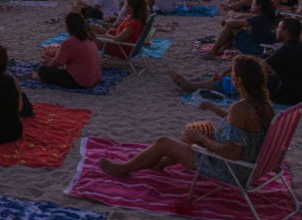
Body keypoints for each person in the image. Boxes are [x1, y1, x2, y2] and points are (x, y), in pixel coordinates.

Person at [101, 56, 273, 188]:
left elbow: (231, 154)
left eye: (232, 75)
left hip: (232, 170)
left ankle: (124, 169)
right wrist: (213, 109)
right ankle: (158, 165)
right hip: (250, 165)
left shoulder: (240, 108)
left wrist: (201, 139)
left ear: (238, 81)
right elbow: (239, 127)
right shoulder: (264, 104)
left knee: (163, 142)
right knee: (187, 138)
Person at [170, 18, 302, 106]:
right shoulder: (295, 46)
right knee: (247, 72)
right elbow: (265, 62)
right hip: (291, 90)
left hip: (288, 95)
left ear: (285, 33)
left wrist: (236, 72)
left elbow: (261, 67)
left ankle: (191, 86)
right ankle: (203, 83)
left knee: (246, 79)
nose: (276, 31)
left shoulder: (289, 49)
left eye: (278, 29)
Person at [35, 13, 102, 89]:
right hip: (95, 78)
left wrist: (46, 66)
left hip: (80, 82)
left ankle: (38, 77)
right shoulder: (88, 38)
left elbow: (57, 63)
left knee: (42, 70)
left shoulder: (69, 42)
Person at [203, 0, 277, 59]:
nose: (251, 5)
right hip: (263, 47)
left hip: (255, 50)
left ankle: (213, 51)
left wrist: (227, 22)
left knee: (230, 25)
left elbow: (235, 23)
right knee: (232, 25)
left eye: (253, 4)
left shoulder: (258, 19)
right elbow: (245, 17)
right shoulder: (267, 17)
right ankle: (223, 47)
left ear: (259, 6)